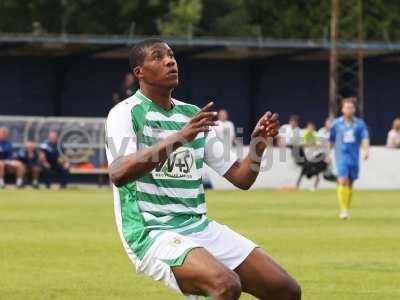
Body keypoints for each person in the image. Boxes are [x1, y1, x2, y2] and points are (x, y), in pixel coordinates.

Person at [105, 39, 300, 300]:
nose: (170, 61)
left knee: (285, 290)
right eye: (158, 56)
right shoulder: (125, 113)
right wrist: (180, 137)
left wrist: (258, 145)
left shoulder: (191, 115)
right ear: (139, 72)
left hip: (198, 227)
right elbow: (118, 173)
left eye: (171, 56)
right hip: (151, 231)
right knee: (225, 286)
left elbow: (241, 178)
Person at [327, 97, 369, 220]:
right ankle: (343, 210)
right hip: (341, 155)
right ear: (342, 109)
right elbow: (331, 140)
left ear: (354, 109)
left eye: (351, 107)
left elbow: (364, 138)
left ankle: (346, 207)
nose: (349, 110)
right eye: (347, 107)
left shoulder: (360, 124)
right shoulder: (336, 123)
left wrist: (366, 151)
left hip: (354, 156)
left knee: (350, 183)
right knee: (342, 180)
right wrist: (328, 154)